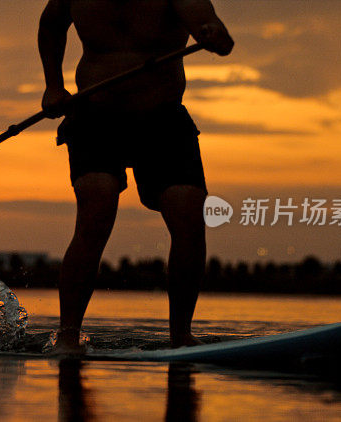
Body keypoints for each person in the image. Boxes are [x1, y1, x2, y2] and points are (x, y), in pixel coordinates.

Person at [38, 0, 233, 353]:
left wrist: (214, 35)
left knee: (188, 209)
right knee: (97, 207)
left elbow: (212, 27)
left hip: (162, 118)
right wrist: (53, 86)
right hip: (94, 116)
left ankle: (181, 337)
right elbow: (51, 25)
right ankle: (68, 336)